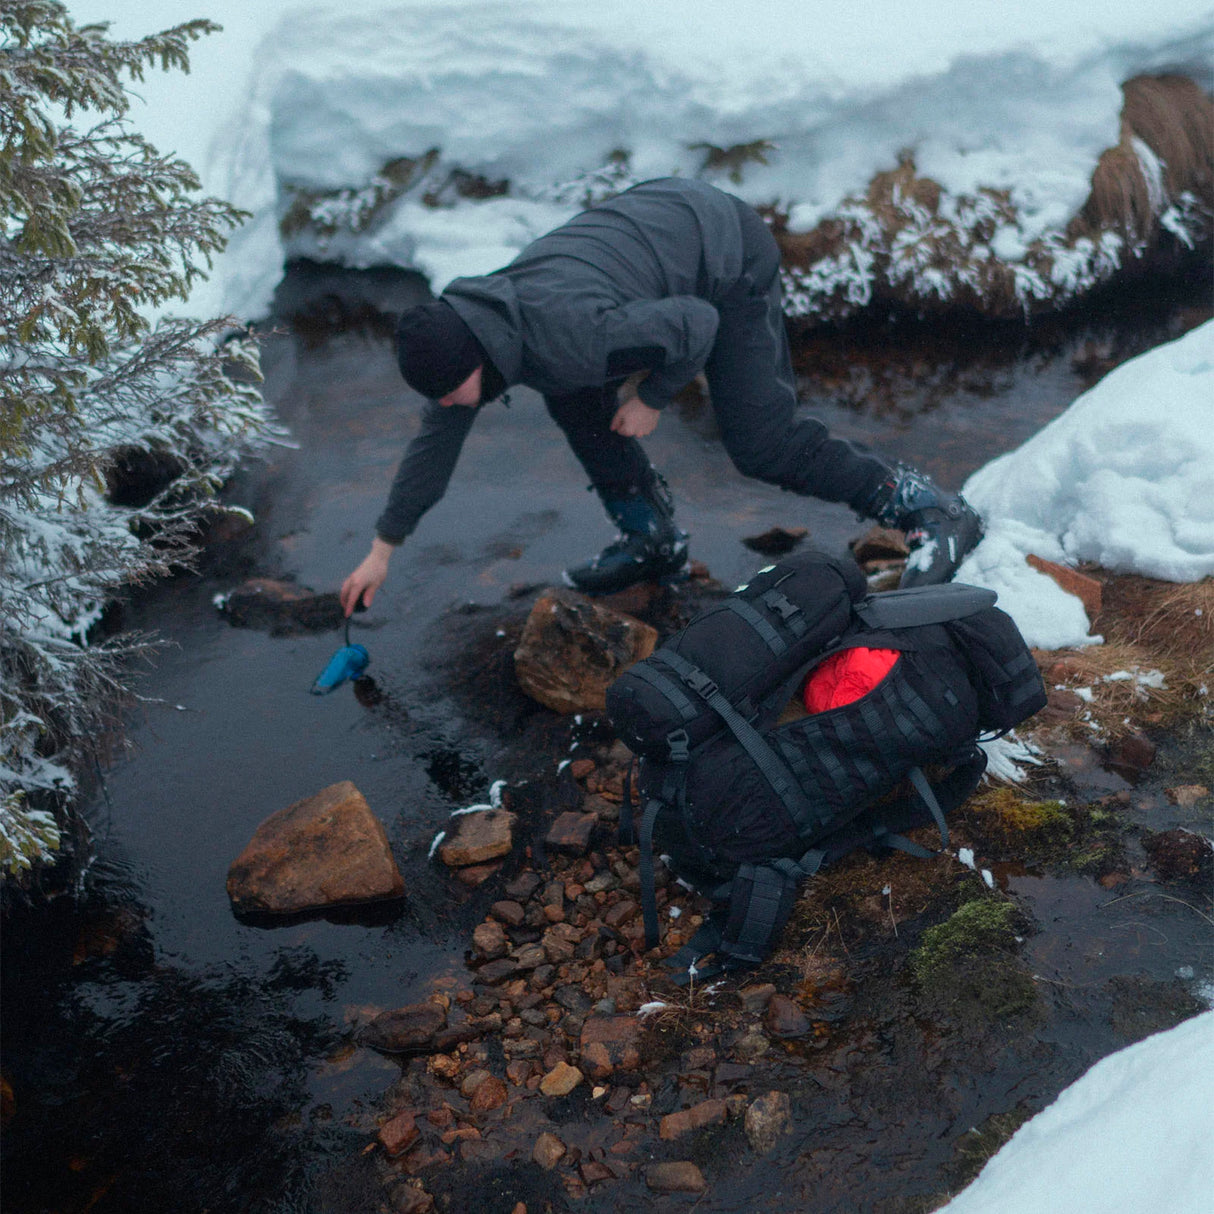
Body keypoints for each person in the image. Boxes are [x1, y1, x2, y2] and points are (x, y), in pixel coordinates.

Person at [340, 177, 982, 616]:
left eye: (453, 392)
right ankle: (652, 540)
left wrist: (654, 396)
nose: (451, 404)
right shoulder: (478, 332)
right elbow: (435, 443)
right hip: (655, 229)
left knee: (761, 442)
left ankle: (926, 509)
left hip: (723, 253)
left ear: (475, 357)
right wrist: (380, 552)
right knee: (578, 401)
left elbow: (697, 323)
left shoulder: (569, 337)